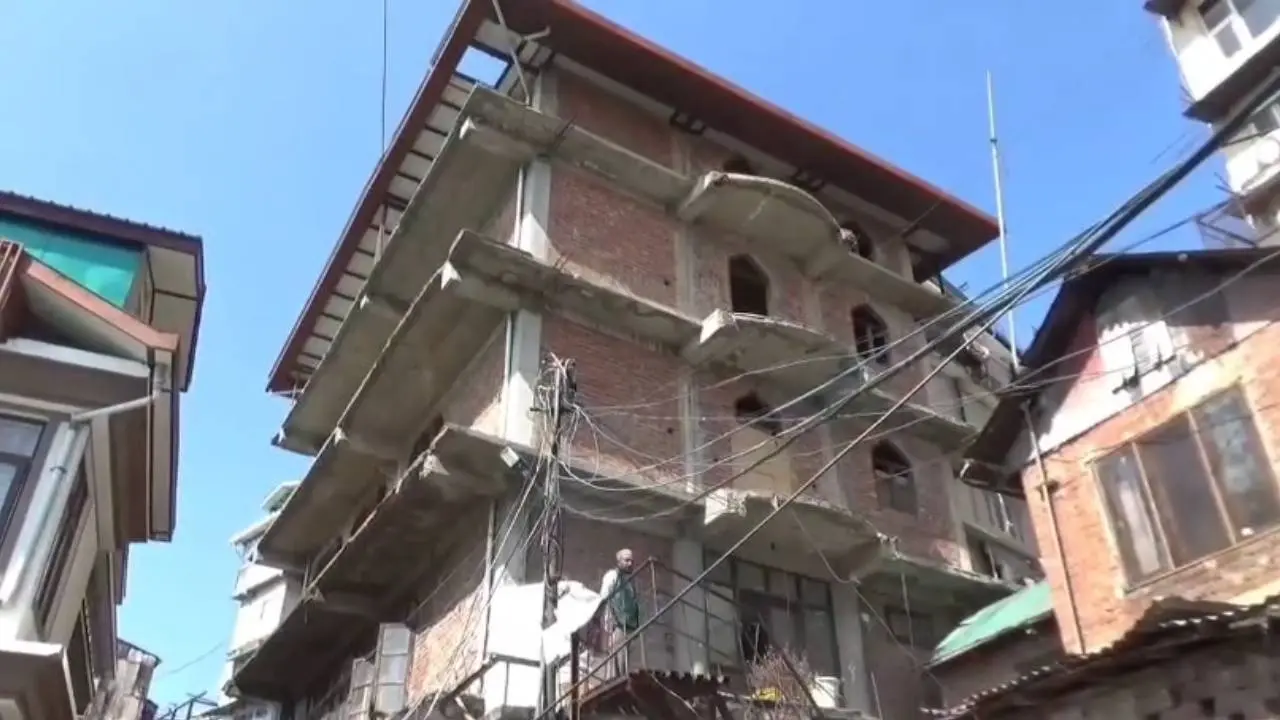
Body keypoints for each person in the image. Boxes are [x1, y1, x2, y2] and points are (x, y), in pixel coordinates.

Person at [599, 548, 639, 679]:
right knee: (618, 662)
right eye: (627, 560)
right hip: (617, 624)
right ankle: (616, 682)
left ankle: (621, 679)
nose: (630, 563)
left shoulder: (630, 581)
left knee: (625, 661)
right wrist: (608, 622)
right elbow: (604, 597)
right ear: (619, 561)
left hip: (629, 626)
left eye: (632, 561)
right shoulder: (612, 576)